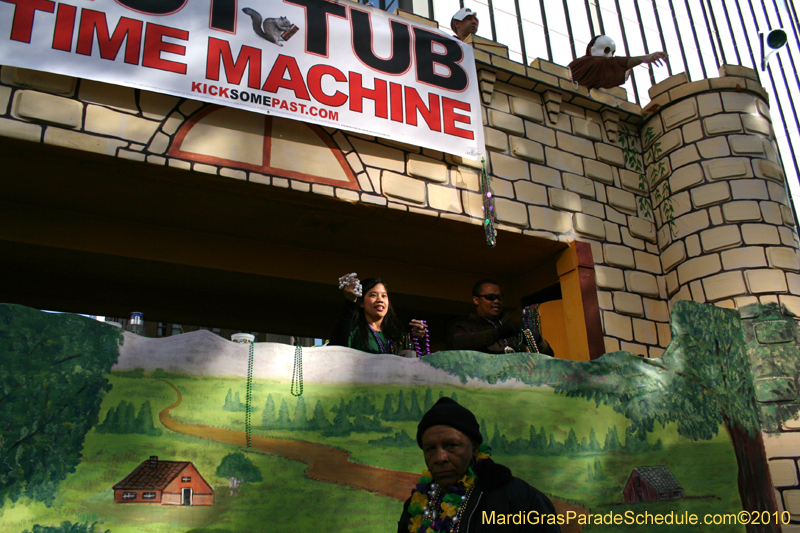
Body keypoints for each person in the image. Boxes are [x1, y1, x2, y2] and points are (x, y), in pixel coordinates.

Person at [398, 398, 561, 533]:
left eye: (451, 445)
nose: (440, 458)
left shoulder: (518, 499)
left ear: (474, 449)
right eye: (430, 449)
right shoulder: (416, 506)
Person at [446, 279, 553, 355]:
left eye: (499, 297)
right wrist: (497, 333)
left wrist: (538, 340)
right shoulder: (465, 326)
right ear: (476, 300)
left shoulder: (513, 327)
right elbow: (456, 345)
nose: (496, 301)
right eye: (490, 297)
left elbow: (548, 357)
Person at [330, 276, 427, 355]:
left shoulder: (399, 337)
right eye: (373, 295)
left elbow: (417, 365)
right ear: (361, 303)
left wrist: (420, 341)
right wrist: (350, 303)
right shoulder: (354, 331)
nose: (380, 300)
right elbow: (336, 351)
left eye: (384, 296)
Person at [568, 35, 668, 90]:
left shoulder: (600, 69)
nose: (610, 55)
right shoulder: (586, 62)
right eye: (607, 50)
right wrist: (643, 58)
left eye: (613, 53)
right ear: (591, 49)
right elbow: (615, 63)